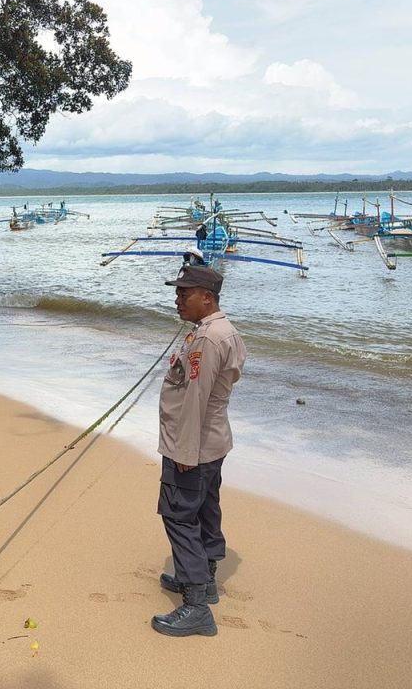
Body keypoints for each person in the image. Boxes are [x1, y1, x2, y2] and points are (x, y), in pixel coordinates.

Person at [152, 265, 246, 638]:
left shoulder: (208, 340)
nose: (177, 300)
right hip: (212, 441)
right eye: (177, 293)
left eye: (183, 294)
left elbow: (196, 399)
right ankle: (204, 580)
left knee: (179, 515)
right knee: (205, 507)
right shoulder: (218, 331)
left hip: (195, 444)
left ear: (206, 298)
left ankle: (196, 607)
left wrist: (184, 453)